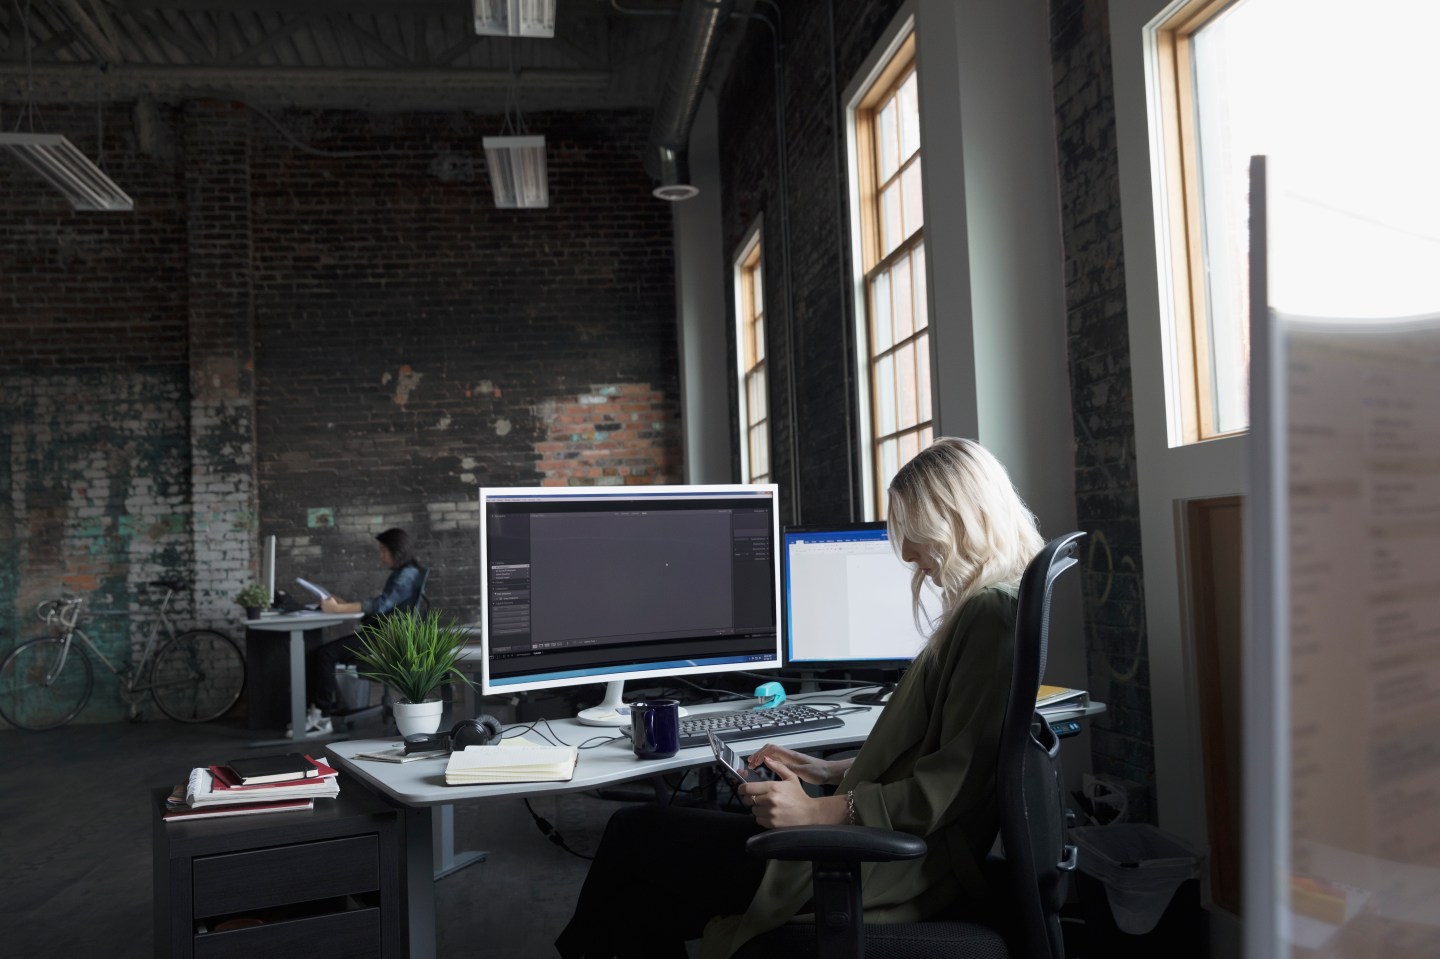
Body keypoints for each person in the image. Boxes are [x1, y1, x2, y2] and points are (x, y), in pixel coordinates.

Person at [554, 437, 1045, 959]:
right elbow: (944, 758)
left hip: (891, 867)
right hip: (890, 848)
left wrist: (816, 812)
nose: (905, 553)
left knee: (638, 840)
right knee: (646, 867)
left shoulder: (989, 615)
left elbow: (944, 791)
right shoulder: (997, 602)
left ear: (960, 521)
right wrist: (828, 771)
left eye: (915, 532)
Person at [304, 527, 426, 732]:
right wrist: (344, 605)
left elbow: (381, 605)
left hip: (386, 639)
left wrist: (337, 609)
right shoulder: (406, 573)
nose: (381, 556)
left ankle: (322, 717)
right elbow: (384, 608)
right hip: (384, 635)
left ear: (397, 551)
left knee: (325, 654)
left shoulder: (407, 575)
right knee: (324, 654)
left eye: (384, 551)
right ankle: (324, 710)